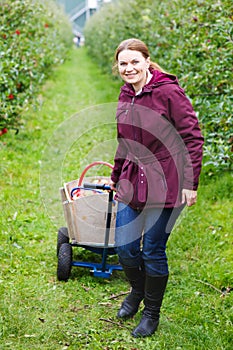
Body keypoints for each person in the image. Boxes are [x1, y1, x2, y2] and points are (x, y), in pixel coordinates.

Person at [110, 38, 204, 338]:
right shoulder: (126, 94)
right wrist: (115, 177)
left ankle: (151, 313)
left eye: (135, 61)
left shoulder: (168, 93)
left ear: (147, 61)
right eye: (123, 64)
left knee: (152, 250)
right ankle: (137, 291)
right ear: (118, 67)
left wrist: (190, 183)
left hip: (168, 180)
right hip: (132, 179)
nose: (129, 68)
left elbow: (192, 138)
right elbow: (123, 141)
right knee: (124, 248)